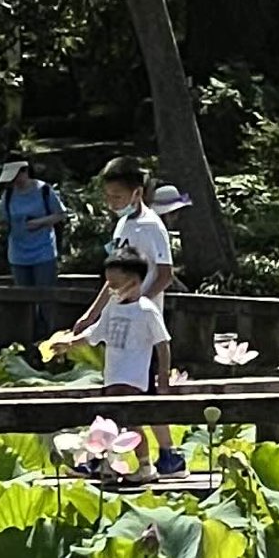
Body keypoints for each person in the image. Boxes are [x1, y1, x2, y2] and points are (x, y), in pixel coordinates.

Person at [66, 159, 182, 473]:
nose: (111, 203)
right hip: (121, 321)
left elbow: (165, 274)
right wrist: (92, 315)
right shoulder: (123, 225)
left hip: (143, 327)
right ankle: (165, 456)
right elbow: (114, 278)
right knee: (124, 394)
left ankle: (163, 455)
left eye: (117, 196)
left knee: (141, 396)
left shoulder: (151, 226)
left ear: (137, 193)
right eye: (107, 196)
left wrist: (137, 304)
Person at [46, 249, 171, 480]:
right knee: (110, 421)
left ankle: (144, 466)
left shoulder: (146, 310)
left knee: (130, 423)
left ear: (134, 282)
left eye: (114, 284)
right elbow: (95, 334)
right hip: (113, 375)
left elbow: (162, 343)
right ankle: (105, 463)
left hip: (134, 378)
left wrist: (163, 375)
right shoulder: (112, 307)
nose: (110, 290)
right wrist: (69, 343)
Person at [0, 157, 64, 321]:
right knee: (23, 301)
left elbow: (60, 214)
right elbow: (2, 220)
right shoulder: (8, 195)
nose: (14, 181)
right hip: (18, 253)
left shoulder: (44, 190)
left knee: (45, 298)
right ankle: (26, 332)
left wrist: (40, 222)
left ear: (25, 171)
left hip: (43, 251)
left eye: (16, 176)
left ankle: (47, 330)